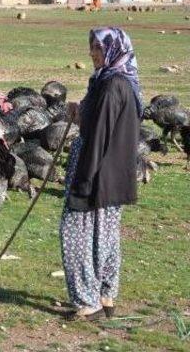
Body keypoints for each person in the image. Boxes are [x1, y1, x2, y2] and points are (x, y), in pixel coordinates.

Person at [61, 27, 142, 321]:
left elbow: (99, 136)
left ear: (112, 49)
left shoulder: (110, 86)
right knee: (104, 235)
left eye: (97, 48)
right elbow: (104, 123)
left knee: (74, 233)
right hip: (114, 174)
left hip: (95, 171)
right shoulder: (122, 81)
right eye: (91, 47)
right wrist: (79, 113)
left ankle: (87, 301)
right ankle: (106, 296)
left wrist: (84, 181)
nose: (92, 53)